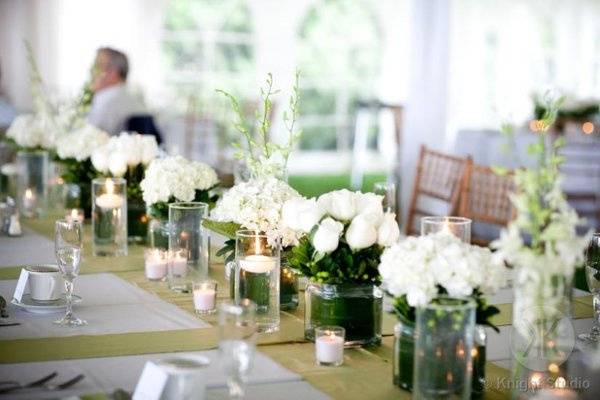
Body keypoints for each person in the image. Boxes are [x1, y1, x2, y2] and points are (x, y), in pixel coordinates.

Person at [87, 47, 145, 135]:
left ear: (113, 72)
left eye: (97, 66)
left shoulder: (106, 99)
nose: (91, 71)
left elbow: (90, 135)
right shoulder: (133, 96)